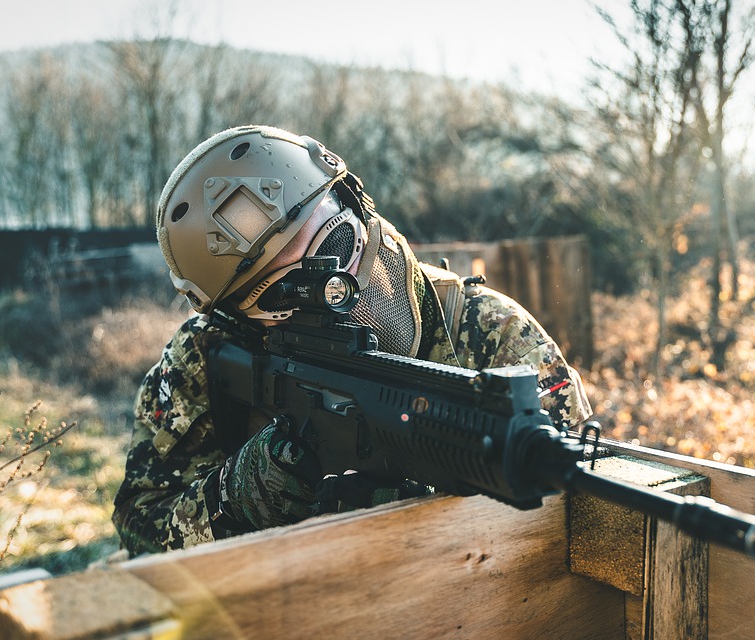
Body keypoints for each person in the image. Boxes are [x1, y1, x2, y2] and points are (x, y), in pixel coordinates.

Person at [113, 126, 591, 555]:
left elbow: (578, 515)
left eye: (335, 243)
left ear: (357, 205)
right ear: (236, 318)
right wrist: (235, 497)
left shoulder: (497, 337)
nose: (334, 284)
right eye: (278, 294)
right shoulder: (205, 352)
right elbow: (139, 527)